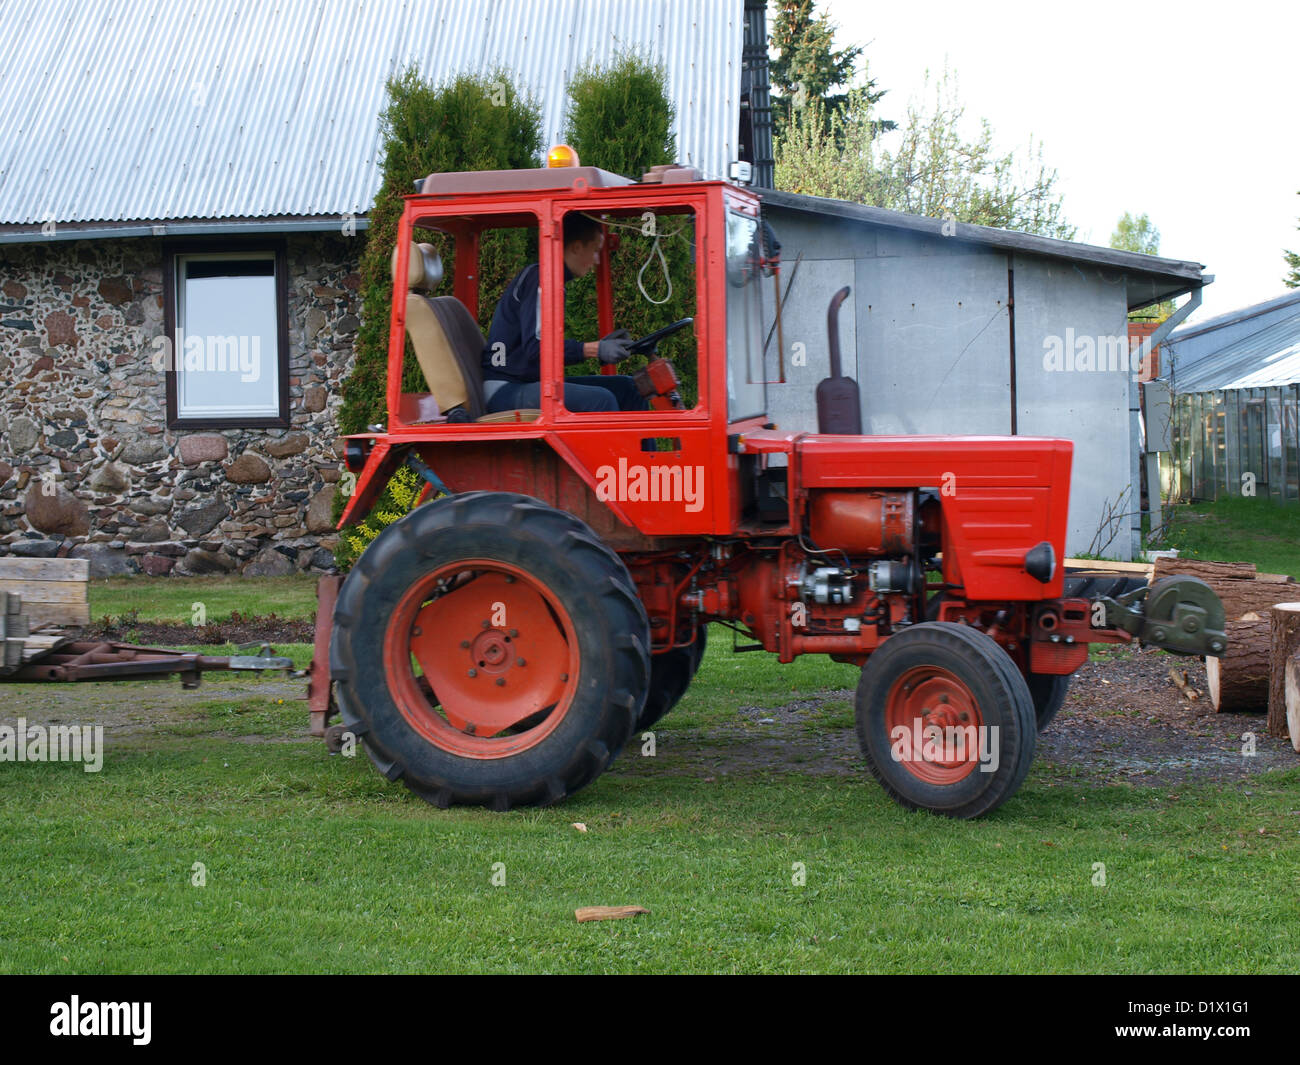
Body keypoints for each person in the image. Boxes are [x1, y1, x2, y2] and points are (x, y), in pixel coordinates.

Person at [481, 214, 644, 413]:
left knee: (630, 388)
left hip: (527, 382)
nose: (597, 261)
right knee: (602, 400)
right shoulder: (541, 278)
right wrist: (594, 349)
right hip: (505, 388)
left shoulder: (552, 281)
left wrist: (599, 347)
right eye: (595, 251)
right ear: (576, 247)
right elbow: (536, 349)